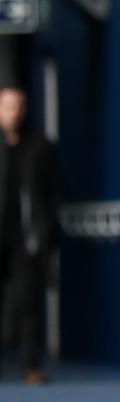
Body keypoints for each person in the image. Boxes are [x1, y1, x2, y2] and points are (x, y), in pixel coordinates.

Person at [0, 86, 57, 385]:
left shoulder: (40, 146)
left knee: (27, 304)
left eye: (19, 106)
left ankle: (30, 366)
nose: (14, 113)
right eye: (8, 106)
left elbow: (51, 194)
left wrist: (46, 234)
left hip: (26, 240)